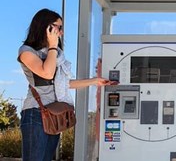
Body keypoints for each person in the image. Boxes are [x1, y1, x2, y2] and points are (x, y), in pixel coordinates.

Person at [17, 9, 112, 161]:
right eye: (57, 27)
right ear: (45, 26)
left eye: (61, 28)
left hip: (55, 114)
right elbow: (47, 73)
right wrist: (53, 46)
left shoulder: (55, 54)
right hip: (36, 113)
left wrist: (95, 80)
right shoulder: (27, 52)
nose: (60, 32)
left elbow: (62, 83)